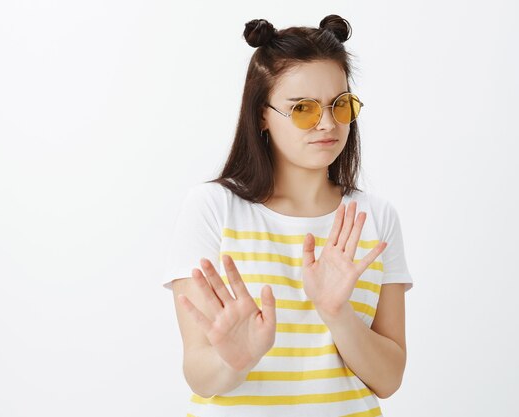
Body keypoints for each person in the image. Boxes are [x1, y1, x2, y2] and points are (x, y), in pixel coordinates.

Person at [161, 14, 414, 417]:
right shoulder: (212, 208)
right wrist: (234, 359)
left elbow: (388, 380)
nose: (328, 124)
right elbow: (199, 375)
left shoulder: (374, 215)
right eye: (303, 110)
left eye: (340, 105)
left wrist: (337, 314)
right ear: (262, 114)